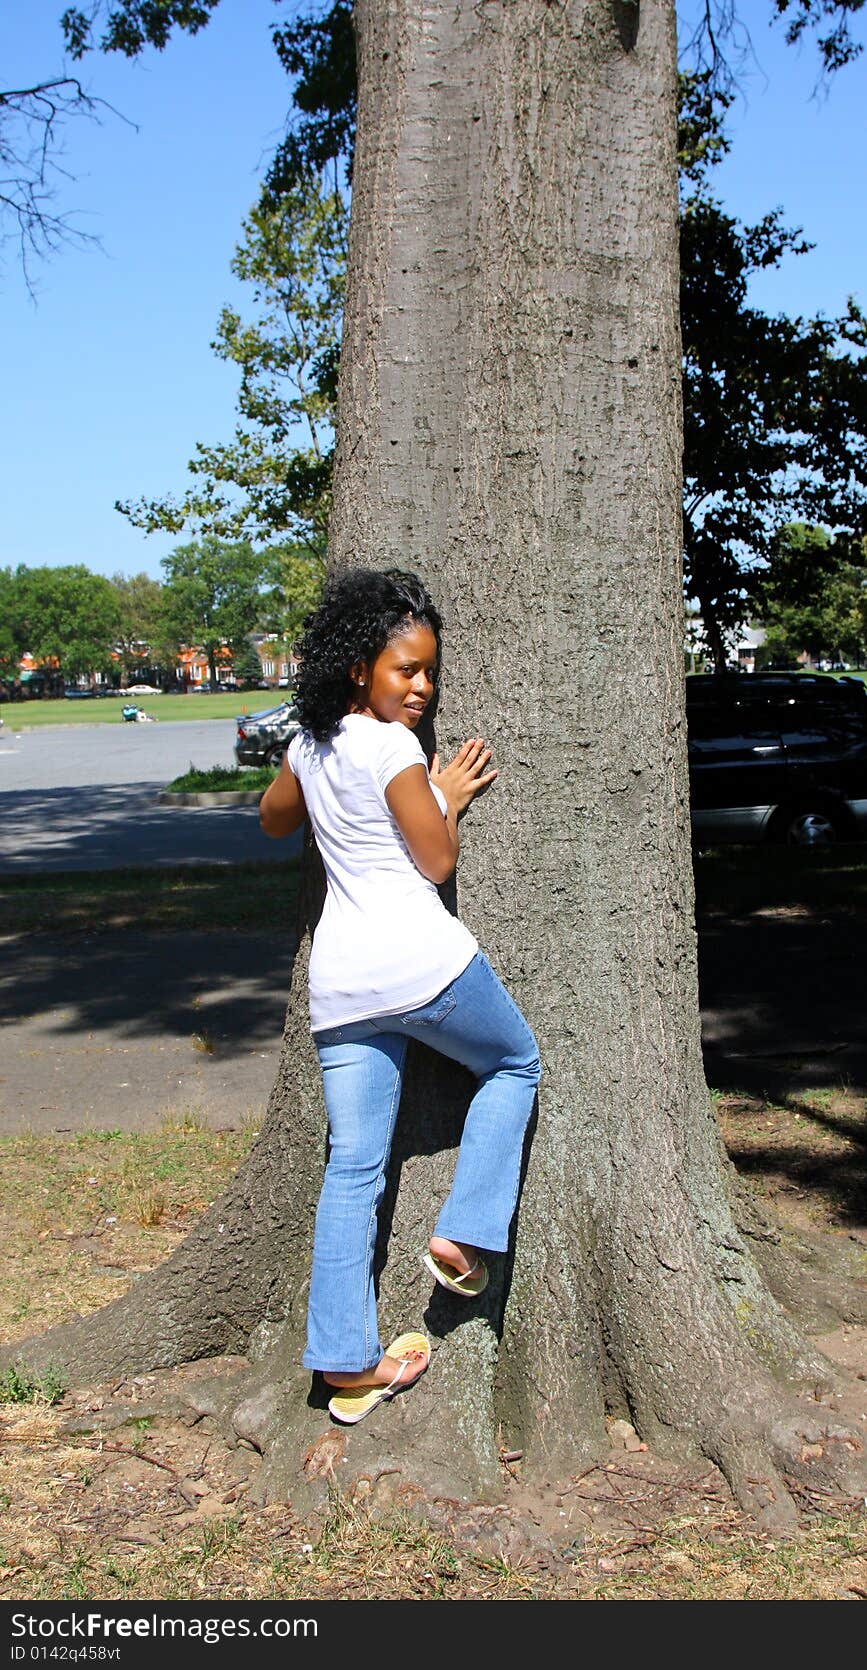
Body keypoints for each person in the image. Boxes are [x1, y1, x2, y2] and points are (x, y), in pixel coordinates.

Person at [259, 569, 540, 1424]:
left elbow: (273, 821)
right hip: (422, 967)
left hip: (342, 987)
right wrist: (443, 796)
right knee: (516, 1063)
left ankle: (345, 1364)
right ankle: (464, 1229)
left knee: (352, 1170)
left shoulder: (309, 746)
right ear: (359, 669)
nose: (419, 689)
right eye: (404, 672)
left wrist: (310, 788)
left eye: (427, 674)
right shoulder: (390, 747)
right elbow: (435, 862)